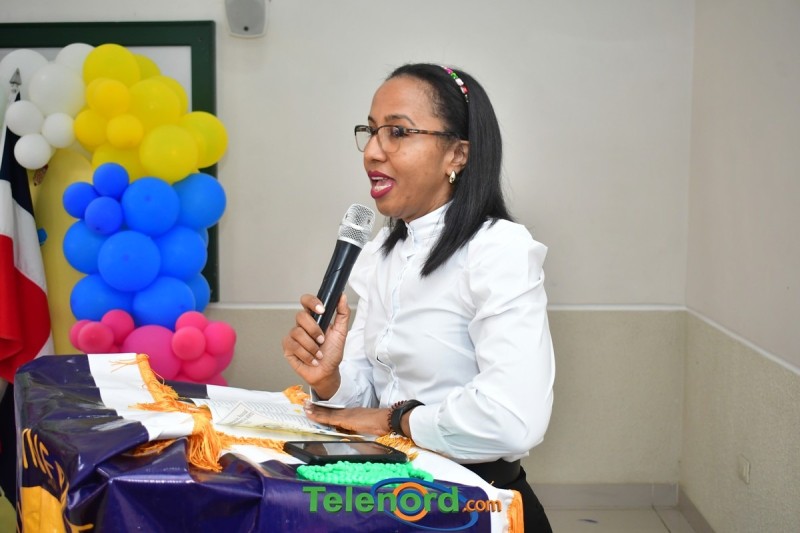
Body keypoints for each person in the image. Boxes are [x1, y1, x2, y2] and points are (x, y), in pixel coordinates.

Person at [282, 63, 555, 532]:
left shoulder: (497, 250)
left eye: (397, 132)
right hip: (386, 495)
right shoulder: (380, 254)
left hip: (472, 505)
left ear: (458, 154)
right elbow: (363, 402)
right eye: (371, 131)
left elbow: (512, 420)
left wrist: (396, 420)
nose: (372, 151)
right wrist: (329, 378)